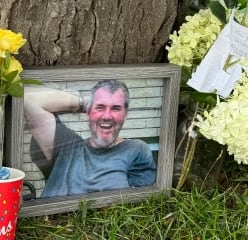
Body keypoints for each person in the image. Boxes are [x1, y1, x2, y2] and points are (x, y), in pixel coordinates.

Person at [24, 79, 156, 198]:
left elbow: (140, 206)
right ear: (88, 111)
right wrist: (83, 103)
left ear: (125, 115)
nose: (106, 116)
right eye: (100, 107)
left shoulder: (135, 150)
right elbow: (26, 98)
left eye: (115, 108)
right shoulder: (65, 144)